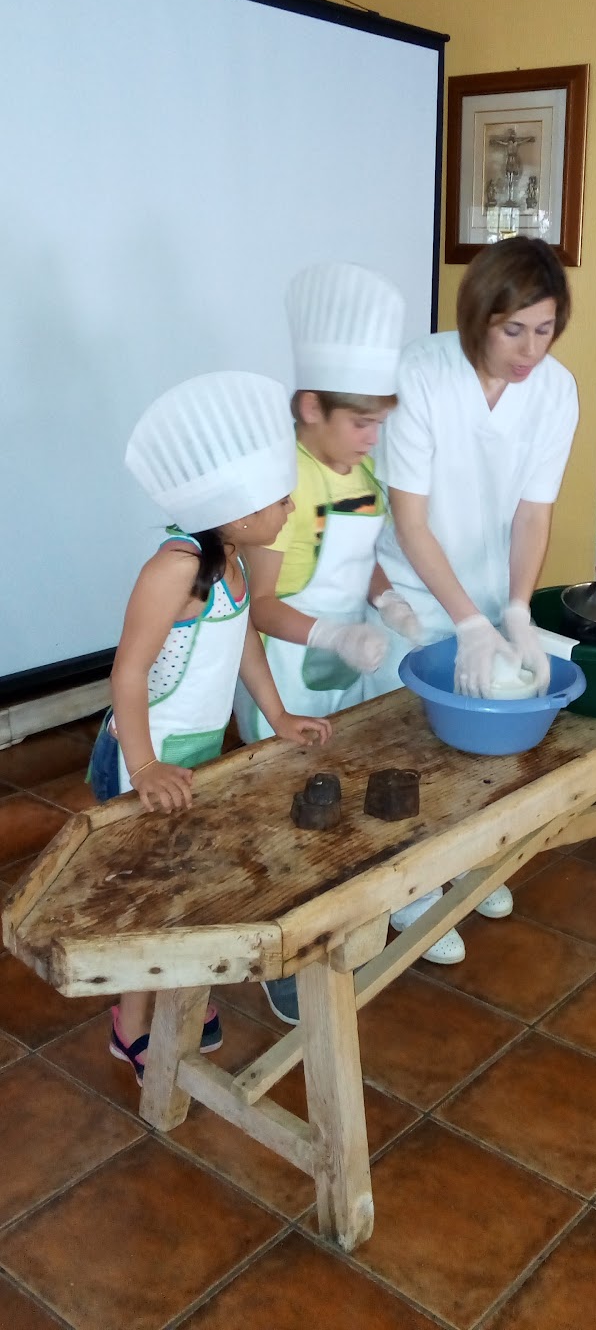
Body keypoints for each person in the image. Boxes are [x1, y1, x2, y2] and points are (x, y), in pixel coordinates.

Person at [88, 371, 331, 1082]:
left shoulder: (234, 562)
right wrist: (143, 766)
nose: (290, 507)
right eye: (279, 498)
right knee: (151, 898)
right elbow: (128, 673)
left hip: (192, 755)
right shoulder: (174, 569)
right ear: (232, 510)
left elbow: (241, 638)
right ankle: (131, 1024)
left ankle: (178, 995)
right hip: (143, 756)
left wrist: (277, 715)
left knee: (185, 882)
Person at [368, 235, 579, 962]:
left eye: (545, 330)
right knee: (408, 748)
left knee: (476, 748)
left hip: (489, 591)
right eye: (513, 330)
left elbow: (533, 514)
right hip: (413, 590)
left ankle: (462, 866)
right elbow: (411, 520)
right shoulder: (421, 375)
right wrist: (463, 620)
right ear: (478, 316)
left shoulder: (555, 389)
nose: (530, 351)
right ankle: (408, 889)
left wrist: (514, 609)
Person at [234, 262, 422, 1020]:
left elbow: (361, 554)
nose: (374, 438)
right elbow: (259, 607)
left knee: (333, 790)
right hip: (283, 670)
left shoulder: (357, 470)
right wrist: (334, 633)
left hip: (337, 663)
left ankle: (339, 919)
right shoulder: (284, 483)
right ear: (311, 408)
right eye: (361, 423)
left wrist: (386, 600)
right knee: (284, 805)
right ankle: (281, 957)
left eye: (379, 423)